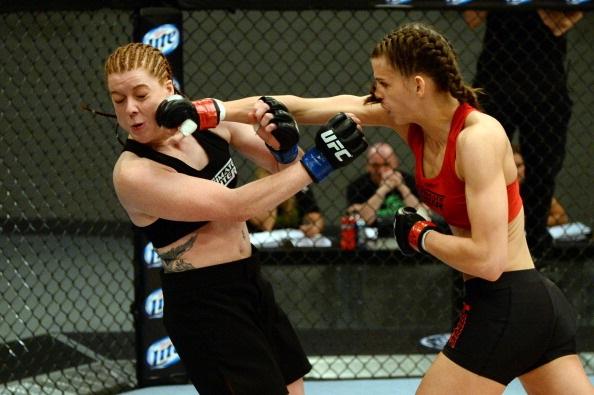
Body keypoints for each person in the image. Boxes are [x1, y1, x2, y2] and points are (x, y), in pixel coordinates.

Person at [239, 22, 593, 395]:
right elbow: (305, 106)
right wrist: (210, 111)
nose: (374, 92)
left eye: (384, 83)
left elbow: (488, 261)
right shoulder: (413, 125)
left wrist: (420, 235)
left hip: (506, 300)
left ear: (419, 85)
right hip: (529, 303)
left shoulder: (478, 138)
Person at [104, 42, 367, 395]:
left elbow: (285, 168)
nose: (131, 110)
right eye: (118, 100)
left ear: (168, 87)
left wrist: (285, 147)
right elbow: (236, 206)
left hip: (250, 280)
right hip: (205, 302)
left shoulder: (207, 126)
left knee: (294, 389)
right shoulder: (133, 173)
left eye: (139, 94)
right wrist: (320, 160)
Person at [463, 9, 583, 258]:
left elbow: (558, 22)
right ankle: (481, 244)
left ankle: (534, 250)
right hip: (496, 79)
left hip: (544, 84)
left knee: (542, 172)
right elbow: (472, 17)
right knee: (480, 167)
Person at [346, 142, 423, 227]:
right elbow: (365, 218)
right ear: (368, 166)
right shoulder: (357, 186)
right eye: (375, 165)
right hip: (373, 235)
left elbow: (421, 216)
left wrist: (402, 187)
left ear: (395, 163)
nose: (381, 170)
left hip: (407, 235)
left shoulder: (410, 181)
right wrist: (383, 189)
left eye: (386, 164)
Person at [248, 167, 325, 238]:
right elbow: (267, 227)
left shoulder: (300, 186)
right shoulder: (258, 187)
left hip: (294, 241)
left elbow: (315, 216)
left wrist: (315, 227)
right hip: (265, 241)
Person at [512, 144, 569, 228]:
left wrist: (531, 222)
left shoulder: (534, 189)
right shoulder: (497, 191)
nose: (516, 171)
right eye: (512, 166)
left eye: (519, 165)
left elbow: (562, 217)